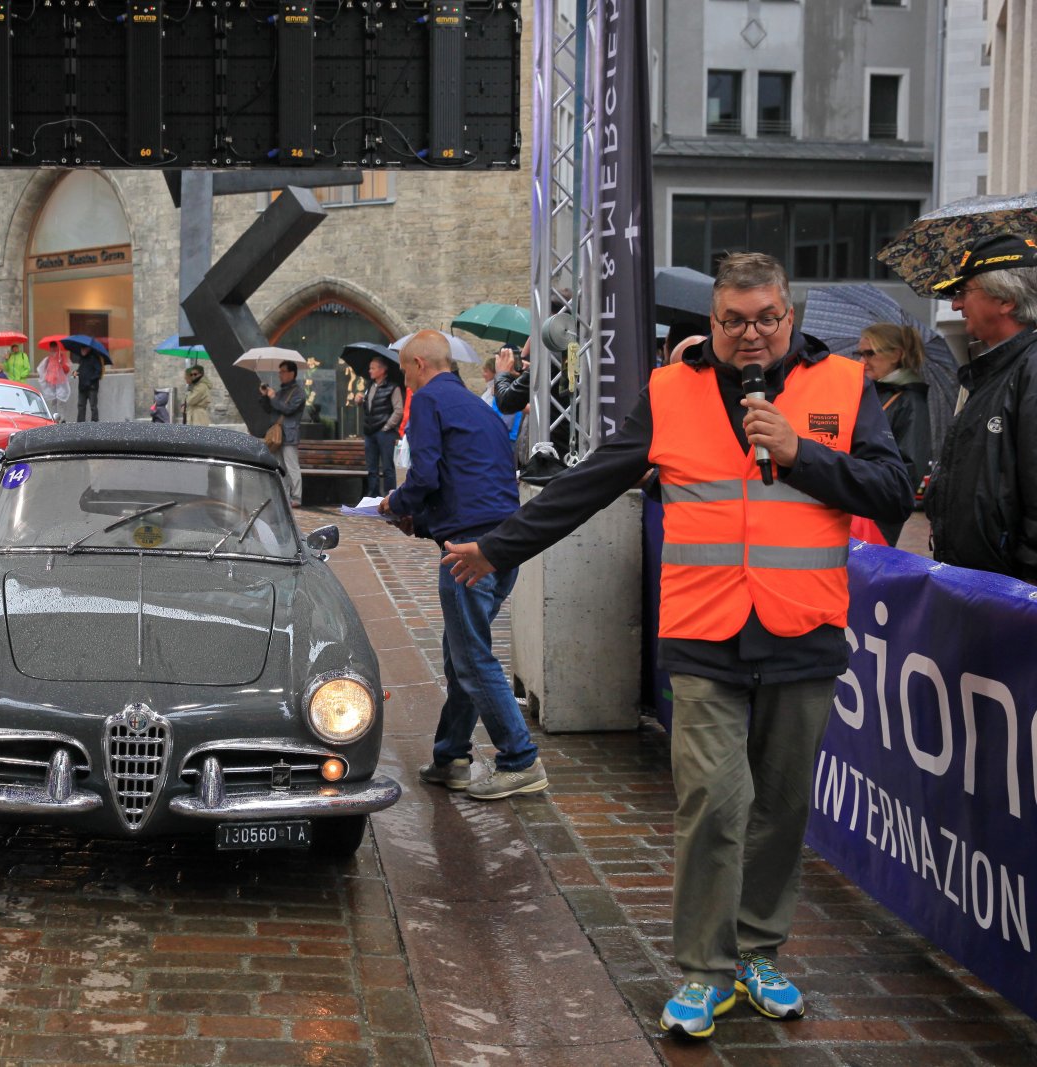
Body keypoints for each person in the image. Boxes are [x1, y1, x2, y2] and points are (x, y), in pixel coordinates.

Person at [441, 253, 912, 1039]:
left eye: (766, 318)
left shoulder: (843, 384)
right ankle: (704, 969)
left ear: (789, 316)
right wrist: (498, 547)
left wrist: (801, 453)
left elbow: (894, 488)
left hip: (803, 630)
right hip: (705, 632)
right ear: (713, 321)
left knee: (781, 807)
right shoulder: (670, 390)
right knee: (713, 803)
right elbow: (590, 481)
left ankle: (758, 951)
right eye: (734, 321)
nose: (752, 334)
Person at [373, 330, 541, 806]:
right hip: (503, 543)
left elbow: (425, 476)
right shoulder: (479, 407)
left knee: (471, 659)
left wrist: (393, 504)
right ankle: (452, 757)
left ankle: (520, 759)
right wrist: (421, 521)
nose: (405, 380)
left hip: (469, 550)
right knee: (461, 653)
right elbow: (469, 482)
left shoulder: (429, 401)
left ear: (419, 364)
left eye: (405, 370)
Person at [925, 233, 1037, 583]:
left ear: (1005, 300)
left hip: (1011, 591)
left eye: (964, 292)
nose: (956, 305)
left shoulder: (1030, 369)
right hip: (982, 583)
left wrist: (1028, 587)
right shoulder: (995, 369)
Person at [855, 323, 932, 546]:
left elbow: (909, 470)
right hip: (857, 504)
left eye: (870, 353)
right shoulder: (873, 392)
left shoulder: (910, 400)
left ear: (896, 355)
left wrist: (856, 478)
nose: (862, 361)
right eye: (860, 354)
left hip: (874, 515)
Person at [260, 360, 306, 506]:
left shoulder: (298, 392)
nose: (280, 375)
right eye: (279, 372)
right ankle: (284, 496)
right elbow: (270, 410)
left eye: (283, 372)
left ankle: (296, 497)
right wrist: (265, 396)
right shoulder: (280, 392)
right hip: (277, 436)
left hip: (289, 434)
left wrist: (273, 397)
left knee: (292, 466)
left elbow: (288, 409)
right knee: (280, 467)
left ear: (292, 373)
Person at [360, 355, 403, 496]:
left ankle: (389, 496)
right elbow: (369, 407)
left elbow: (398, 410)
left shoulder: (393, 387)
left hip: (385, 433)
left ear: (382, 370)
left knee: (388, 468)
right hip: (370, 431)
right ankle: (373, 496)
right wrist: (360, 400)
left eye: (373, 368)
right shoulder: (369, 386)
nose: (370, 371)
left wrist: (387, 426)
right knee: (372, 469)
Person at [36, 343, 73, 408]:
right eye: (51, 347)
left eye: (54, 347)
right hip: (50, 382)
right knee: (53, 401)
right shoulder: (48, 359)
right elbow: (43, 369)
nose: (53, 349)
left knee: (60, 400)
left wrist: (62, 364)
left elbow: (67, 370)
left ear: (57, 347)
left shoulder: (62, 357)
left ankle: (60, 413)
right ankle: (54, 413)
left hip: (60, 382)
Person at [74, 343, 105, 421]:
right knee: (81, 406)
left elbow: (98, 372)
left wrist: (90, 380)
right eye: (81, 349)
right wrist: (75, 372)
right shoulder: (82, 359)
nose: (82, 351)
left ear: (88, 349)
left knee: (93, 406)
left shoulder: (94, 359)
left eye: (84, 349)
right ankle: (80, 423)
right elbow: (81, 370)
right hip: (82, 387)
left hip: (92, 387)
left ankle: (94, 423)